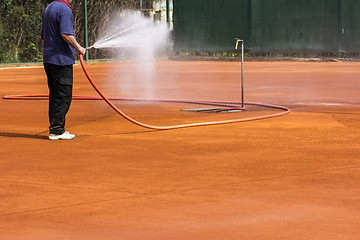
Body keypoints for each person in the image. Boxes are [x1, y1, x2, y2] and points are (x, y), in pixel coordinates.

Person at [41, 0, 86, 140]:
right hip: (61, 61)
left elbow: (43, 37)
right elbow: (66, 34)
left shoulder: (49, 8)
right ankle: (57, 130)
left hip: (49, 59)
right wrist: (79, 48)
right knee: (63, 95)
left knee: (55, 95)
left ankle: (56, 128)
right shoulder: (65, 10)